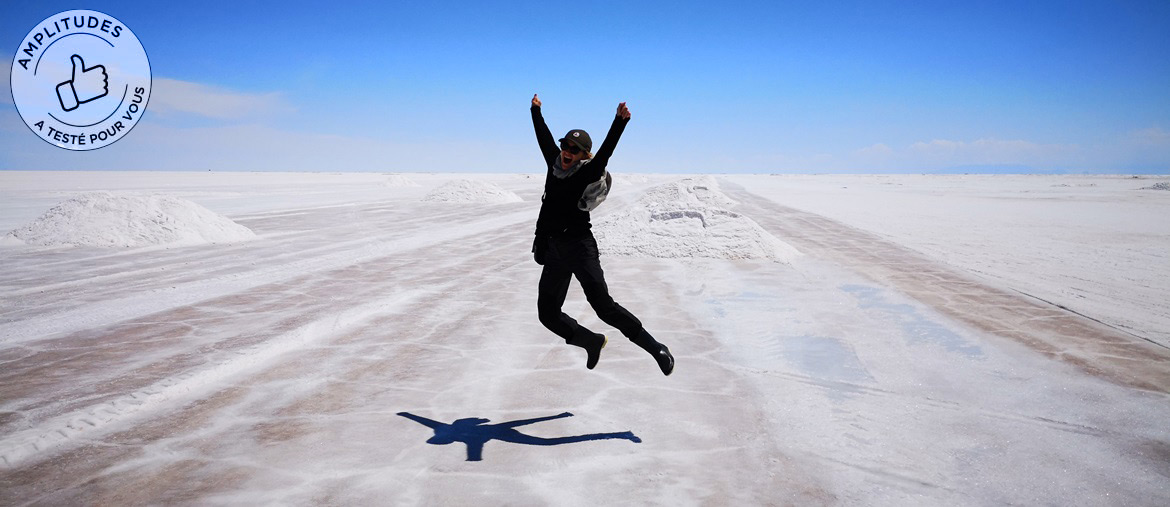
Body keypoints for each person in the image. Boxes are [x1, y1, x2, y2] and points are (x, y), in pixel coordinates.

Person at [529, 93, 674, 376]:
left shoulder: (586, 172)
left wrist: (619, 122)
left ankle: (655, 347)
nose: (567, 151)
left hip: (580, 248)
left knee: (604, 308)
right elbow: (542, 137)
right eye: (565, 145)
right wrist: (535, 112)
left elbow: (606, 151)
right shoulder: (554, 164)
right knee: (547, 313)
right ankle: (589, 340)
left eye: (574, 148)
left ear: (584, 155)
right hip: (555, 249)